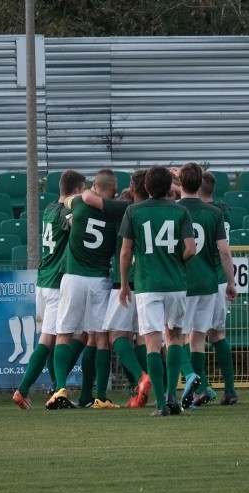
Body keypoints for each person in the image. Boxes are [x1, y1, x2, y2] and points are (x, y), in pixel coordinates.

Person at [47, 169, 129, 410]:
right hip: (99, 280)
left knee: (64, 334)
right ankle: (101, 396)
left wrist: (86, 194)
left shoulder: (80, 203)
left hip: (72, 277)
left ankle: (60, 389)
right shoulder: (117, 215)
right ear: (113, 188)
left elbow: (67, 203)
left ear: (95, 185)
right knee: (100, 337)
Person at [119, 165, 195, 416]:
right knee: (174, 338)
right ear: (168, 187)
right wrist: (175, 261)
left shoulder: (133, 211)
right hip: (175, 283)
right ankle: (172, 396)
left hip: (148, 284)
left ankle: (161, 404)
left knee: (152, 341)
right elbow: (191, 249)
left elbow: (126, 250)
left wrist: (123, 283)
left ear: (147, 187)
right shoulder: (181, 210)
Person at [12, 170, 85, 409]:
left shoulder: (50, 209)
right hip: (55, 283)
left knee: (52, 338)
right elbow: (77, 222)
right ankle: (23, 390)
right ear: (76, 191)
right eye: (82, 190)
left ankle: (56, 388)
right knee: (49, 339)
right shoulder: (65, 212)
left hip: (43, 280)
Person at [79, 169, 152, 408]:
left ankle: (142, 377)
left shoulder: (125, 210)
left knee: (113, 335)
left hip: (126, 281)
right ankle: (148, 389)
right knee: (142, 337)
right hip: (149, 281)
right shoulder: (161, 208)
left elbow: (88, 197)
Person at [173, 163, 237, 409]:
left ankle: (194, 385)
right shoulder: (218, 212)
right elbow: (224, 251)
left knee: (176, 337)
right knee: (207, 335)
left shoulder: (175, 210)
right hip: (214, 280)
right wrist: (231, 282)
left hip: (183, 282)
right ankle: (220, 389)